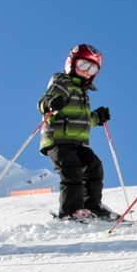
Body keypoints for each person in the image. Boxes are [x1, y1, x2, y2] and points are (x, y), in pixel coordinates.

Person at [38, 44, 115, 221]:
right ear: (71, 63)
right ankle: (70, 211)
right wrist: (50, 104)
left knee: (94, 166)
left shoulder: (82, 93)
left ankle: (91, 206)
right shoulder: (62, 82)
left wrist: (97, 116)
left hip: (78, 142)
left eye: (92, 68)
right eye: (83, 65)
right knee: (72, 172)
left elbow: (83, 119)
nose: (87, 71)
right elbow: (43, 101)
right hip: (58, 140)